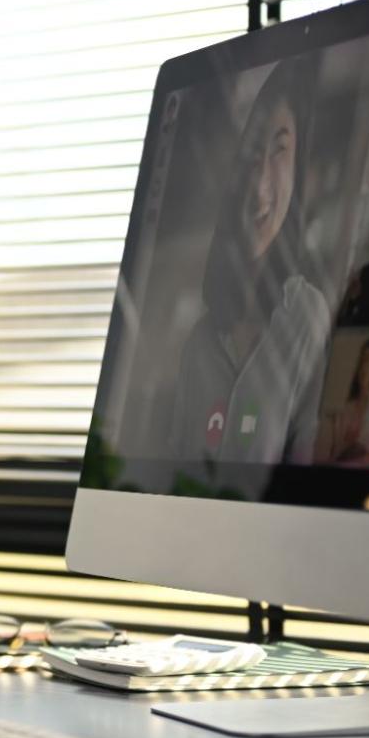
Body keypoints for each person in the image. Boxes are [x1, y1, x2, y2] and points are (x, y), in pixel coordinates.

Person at [151, 62, 333, 475]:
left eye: (278, 150)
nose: (260, 186)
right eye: (250, 154)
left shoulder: (308, 317)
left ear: (298, 169)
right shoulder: (197, 347)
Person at [325, 337, 369, 467]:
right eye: (361, 361)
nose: (363, 367)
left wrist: (365, 447)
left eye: (367, 360)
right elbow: (337, 448)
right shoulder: (348, 406)